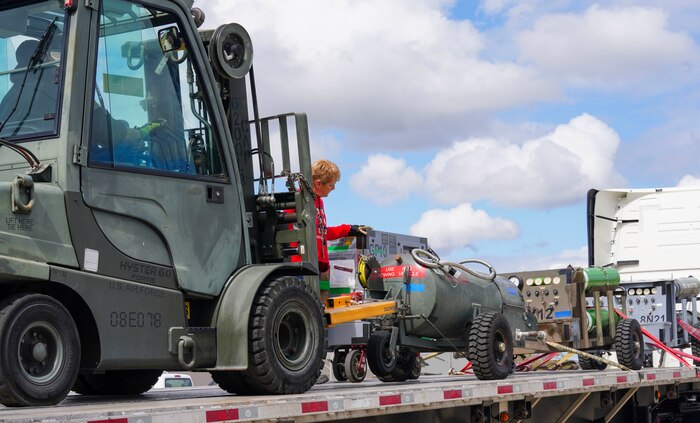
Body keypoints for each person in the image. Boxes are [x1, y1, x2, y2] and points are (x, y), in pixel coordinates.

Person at [307, 159, 370, 385]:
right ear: (317, 183)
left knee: (320, 318)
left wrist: (349, 229)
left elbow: (322, 233)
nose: (333, 189)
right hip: (307, 268)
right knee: (312, 320)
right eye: (331, 185)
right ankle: (311, 371)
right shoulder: (304, 202)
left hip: (318, 268)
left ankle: (314, 370)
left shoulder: (316, 203)